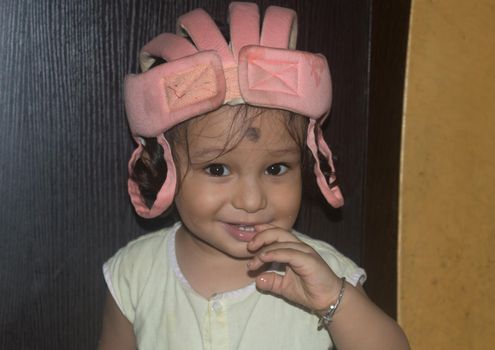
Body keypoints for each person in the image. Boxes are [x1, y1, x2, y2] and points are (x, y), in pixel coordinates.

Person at [98, 3, 410, 349]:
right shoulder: (134, 275)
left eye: (276, 169)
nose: (251, 200)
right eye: (217, 169)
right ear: (164, 168)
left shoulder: (324, 272)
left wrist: (335, 302)